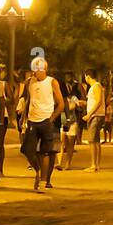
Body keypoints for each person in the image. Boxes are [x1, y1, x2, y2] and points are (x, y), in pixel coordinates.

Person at [20, 56, 64, 190]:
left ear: (44, 69)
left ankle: (44, 180)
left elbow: (61, 103)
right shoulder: (30, 82)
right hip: (32, 120)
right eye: (33, 70)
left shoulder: (52, 82)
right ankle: (38, 171)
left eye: (37, 70)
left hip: (46, 120)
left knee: (45, 152)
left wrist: (51, 119)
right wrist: (24, 117)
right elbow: (28, 100)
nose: (34, 73)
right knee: (27, 150)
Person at [82, 67, 106, 172]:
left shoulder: (96, 86)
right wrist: (85, 103)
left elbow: (99, 101)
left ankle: (93, 165)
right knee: (95, 141)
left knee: (92, 141)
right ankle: (96, 164)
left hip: (95, 116)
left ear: (88, 76)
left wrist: (89, 115)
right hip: (96, 115)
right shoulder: (95, 87)